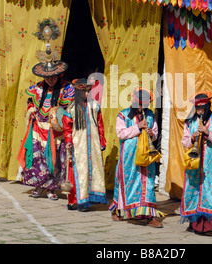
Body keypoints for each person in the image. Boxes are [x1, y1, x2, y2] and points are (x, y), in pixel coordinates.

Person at [17, 43, 74, 201]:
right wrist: (31, 109)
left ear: (59, 75)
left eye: (53, 77)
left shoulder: (66, 89)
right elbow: (30, 102)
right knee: (37, 160)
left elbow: (68, 108)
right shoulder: (37, 89)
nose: (50, 80)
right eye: (47, 77)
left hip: (55, 132)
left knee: (53, 162)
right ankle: (38, 186)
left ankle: (52, 190)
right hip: (38, 130)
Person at [109, 88, 164, 228]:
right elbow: (121, 133)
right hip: (129, 156)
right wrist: (138, 127)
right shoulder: (123, 115)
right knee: (127, 182)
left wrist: (151, 133)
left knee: (148, 183)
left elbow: (156, 133)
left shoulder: (150, 114)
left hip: (146, 154)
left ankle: (151, 215)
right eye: (139, 104)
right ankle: (117, 209)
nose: (141, 108)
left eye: (144, 105)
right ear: (134, 101)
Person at [181, 91, 212, 239]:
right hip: (195, 163)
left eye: (203, 108)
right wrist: (192, 138)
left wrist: (208, 133)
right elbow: (185, 142)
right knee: (193, 190)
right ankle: (193, 222)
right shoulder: (189, 121)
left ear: (208, 106)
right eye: (197, 108)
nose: (200, 111)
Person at [63, 78, 107, 211]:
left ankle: (90, 199)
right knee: (78, 172)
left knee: (93, 170)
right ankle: (77, 201)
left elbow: (100, 125)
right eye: (84, 92)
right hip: (78, 145)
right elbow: (67, 127)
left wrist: (102, 141)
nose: (87, 94)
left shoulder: (95, 107)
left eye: (88, 91)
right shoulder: (71, 108)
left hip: (93, 145)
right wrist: (69, 141)